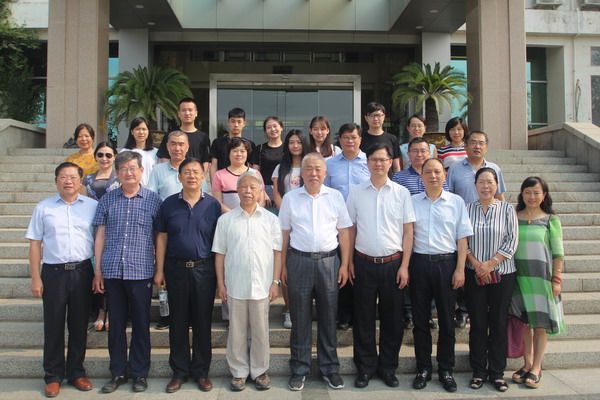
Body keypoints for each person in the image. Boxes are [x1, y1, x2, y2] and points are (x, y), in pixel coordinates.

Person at [279, 153, 352, 391]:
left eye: (318, 169)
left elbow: (344, 232)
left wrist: (344, 264)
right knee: (299, 319)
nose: (313, 173)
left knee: (328, 318)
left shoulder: (335, 197)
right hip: (298, 261)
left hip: (329, 263)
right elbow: (284, 234)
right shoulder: (291, 198)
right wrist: (282, 266)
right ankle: (299, 369)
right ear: (301, 173)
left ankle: (330, 368)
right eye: (308, 169)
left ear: (325, 173)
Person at [346, 143, 415, 389]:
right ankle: (365, 368)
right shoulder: (356, 192)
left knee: (392, 320)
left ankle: (387, 368)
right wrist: (348, 261)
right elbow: (350, 229)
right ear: (367, 163)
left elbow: (408, 232)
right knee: (362, 318)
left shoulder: (401, 193)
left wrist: (405, 266)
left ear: (390, 162)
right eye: (374, 159)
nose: (378, 163)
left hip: (393, 265)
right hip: (363, 263)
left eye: (383, 159)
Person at [26, 162, 97, 398]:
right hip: (53, 273)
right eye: (63, 177)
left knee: (79, 325)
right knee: (53, 325)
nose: (68, 181)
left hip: (83, 271)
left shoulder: (92, 206)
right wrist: (36, 277)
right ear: (56, 180)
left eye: (73, 177)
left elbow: (100, 241)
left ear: (80, 180)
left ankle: (76, 372)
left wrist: (98, 273)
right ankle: (53, 376)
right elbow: (35, 244)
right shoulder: (43, 208)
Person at [93, 151, 162, 394]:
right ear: (117, 173)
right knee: (117, 325)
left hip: (141, 271)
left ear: (141, 171)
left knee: (141, 324)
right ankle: (118, 372)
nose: (128, 173)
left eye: (133, 168)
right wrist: (98, 270)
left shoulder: (153, 200)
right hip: (112, 270)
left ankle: (140, 373)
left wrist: (159, 269)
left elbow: (159, 237)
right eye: (123, 169)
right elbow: (100, 236)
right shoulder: (107, 200)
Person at [153, 158, 221, 394]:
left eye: (196, 172)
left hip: (204, 269)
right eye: (187, 172)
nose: (192, 176)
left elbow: (219, 242)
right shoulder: (168, 204)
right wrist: (159, 270)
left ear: (203, 177)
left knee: (203, 322)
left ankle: (201, 372)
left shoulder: (213, 205)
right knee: (177, 322)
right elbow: (162, 237)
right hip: (176, 269)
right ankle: (179, 372)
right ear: (179, 177)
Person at [213, 171, 282, 391]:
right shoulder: (226, 220)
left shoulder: (271, 219)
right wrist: (221, 283)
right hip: (235, 285)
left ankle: (260, 371)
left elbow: (277, 253)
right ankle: (239, 372)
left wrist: (275, 282)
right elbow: (220, 254)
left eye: (253, 187)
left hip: (262, 285)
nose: (248, 191)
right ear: (237, 190)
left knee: (261, 331)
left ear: (261, 190)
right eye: (243, 187)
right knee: (237, 332)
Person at [410, 158, 473, 393]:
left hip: (447, 265)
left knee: (447, 321)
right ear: (422, 176)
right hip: (419, 264)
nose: (433, 176)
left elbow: (462, 237)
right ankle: (423, 368)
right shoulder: (412, 201)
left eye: (437, 172)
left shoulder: (456, 202)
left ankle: (446, 369)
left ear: (444, 175)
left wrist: (460, 268)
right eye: (428, 172)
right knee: (420, 321)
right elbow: (407, 236)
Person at [465, 167, 518, 392]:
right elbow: (461, 240)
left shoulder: (507, 209)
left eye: (490, 182)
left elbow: (512, 241)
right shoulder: (467, 209)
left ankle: (497, 372)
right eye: (481, 182)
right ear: (475, 185)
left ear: (497, 185)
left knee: (498, 322)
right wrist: (478, 265)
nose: (486, 186)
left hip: (502, 274)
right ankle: (478, 371)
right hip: (474, 273)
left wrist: (489, 264)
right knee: (478, 323)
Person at [447, 130, 507, 327]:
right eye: (473, 142)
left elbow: (501, 197)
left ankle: (484, 307)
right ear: (465, 146)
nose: (477, 146)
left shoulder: (494, 169)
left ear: (486, 147)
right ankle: (463, 310)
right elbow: (449, 197)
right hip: (463, 227)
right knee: (464, 267)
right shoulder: (455, 169)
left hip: (490, 229)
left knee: (484, 266)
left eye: (481, 143)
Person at [510, 177, 566, 389]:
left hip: (541, 279)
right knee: (523, 323)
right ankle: (527, 363)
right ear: (522, 194)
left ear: (544, 195)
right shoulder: (514, 217)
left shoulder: (551, 220)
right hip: (518, 278)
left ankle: (537, 367)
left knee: (540, 325)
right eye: (527, 192)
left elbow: (558, 253)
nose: (531, 197)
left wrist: (556, 280)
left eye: (536, 193)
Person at [392, 137, 448, 330]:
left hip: (433, 232)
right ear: (408, 154)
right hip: (407, 232)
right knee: (409, 275)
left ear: (429, 152)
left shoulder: (437, 174)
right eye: (415, 151)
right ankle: (408, 313)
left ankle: (429, 314)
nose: (419, 154)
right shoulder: (399, 177)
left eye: (423, 150)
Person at [323, 122, 370, 331]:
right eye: (345, 137)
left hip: (365, 225)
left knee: (361, 271)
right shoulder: (330, 164)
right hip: (338, 227)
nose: (350, 141)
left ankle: (361, 315)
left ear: (360, 139)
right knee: (342, 269)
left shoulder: (370, 161)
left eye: (353, 137)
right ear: (339, 140)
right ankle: (343, 315)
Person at [271, 129, 310, 329]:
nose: (295, 146)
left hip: (307, 223)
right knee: (286, 268)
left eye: (299, 142)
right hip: (286, 222)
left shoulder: (310, 166)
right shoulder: (280, 168)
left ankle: (306, 310)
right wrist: (287, 214)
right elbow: (277, 194)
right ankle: (288, 309)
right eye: (291, 142)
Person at [81, 142, 120, 333]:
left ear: (115, 157)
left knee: (111, 270)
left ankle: (111, 311)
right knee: (97, 268)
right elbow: (82, 204)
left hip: (115, 228)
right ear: (95, 157)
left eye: (108, 155)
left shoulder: (120, 177)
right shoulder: (87, 179)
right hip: (95, 228)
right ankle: (100, 311)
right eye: (100, 155)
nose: (104, 158)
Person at [157, 98, 211, 173]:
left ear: (196, 113)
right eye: (184, 110)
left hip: (195, 177)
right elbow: (164, 158)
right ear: (179, 113)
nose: (187, 113)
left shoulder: (203, 137)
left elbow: (206, 161)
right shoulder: (170, 135)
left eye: (190, 110)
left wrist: (201, 176)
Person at [212, 137, 264, 212]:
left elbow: (261, 201)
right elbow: (218, 202)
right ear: (229, 153)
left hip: (253, 217)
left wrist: (249, 215)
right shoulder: (219, 175)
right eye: (235, 151)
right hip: (228, 217)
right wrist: (234, 215)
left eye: (242, 151)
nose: (239, 154)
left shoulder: (255, 174)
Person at [210, 107, 255, 181]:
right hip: (222, 180)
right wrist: (214, 183)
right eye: (233, 121)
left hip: (242, 181)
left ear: (244, 124)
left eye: (239, 122)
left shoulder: (249, 144)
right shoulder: (218, 142)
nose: (236, 125)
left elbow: (251, 166)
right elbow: (214, 165)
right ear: (228, 122)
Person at [250, 116, 284, 209]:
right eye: (268, 127)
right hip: (266, 190)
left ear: (281, 127)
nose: (272, 129)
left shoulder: (288, 148)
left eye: (275, 126)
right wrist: (262, 192)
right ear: (265, 131)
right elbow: (255, 173)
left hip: (284, 189)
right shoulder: (260, 149)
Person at [147, 131, 189, 200]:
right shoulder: (158, 170)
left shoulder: (195, 170)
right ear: (167, 146)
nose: (177, 148)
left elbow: (203, 194)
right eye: (173, 144)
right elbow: (151, 197)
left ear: (187, 147)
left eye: (181, 144)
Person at [360, 102, 400, 173]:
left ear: (384, 117)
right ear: (366, 118)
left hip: (387, 178)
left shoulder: (392, 139)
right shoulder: (360, 139)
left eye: (378, 115)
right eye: (372, 115)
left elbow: (396, 166)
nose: (375, 119)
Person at [121, 117, 159, 186]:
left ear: (148, 132)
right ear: (132, 132)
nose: (141, 132)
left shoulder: (156, 153)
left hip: (152, 189)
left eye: (144, 129)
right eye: (137, 129)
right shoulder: (124, 152)